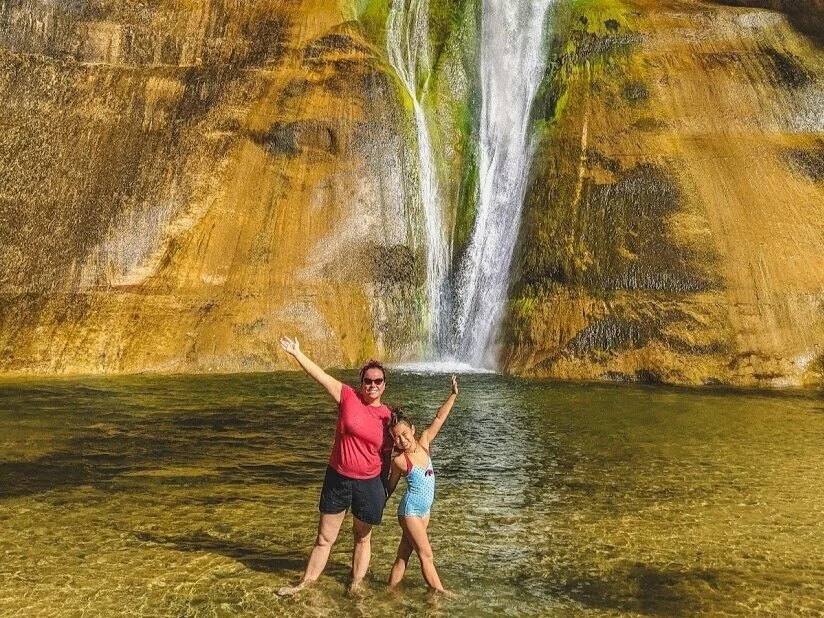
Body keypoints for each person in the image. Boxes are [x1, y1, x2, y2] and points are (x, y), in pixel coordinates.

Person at [277, 336, 393, 596]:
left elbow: (396, 452)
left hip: (370, 483)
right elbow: (320, 376)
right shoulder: (348, 396)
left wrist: (388, 486)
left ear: (384, 385)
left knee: (362, 537)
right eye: (368, 380)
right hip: (338, 478)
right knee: (324, 538)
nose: (372, 385)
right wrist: (297, 353)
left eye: (378, 381)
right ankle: (305, 585)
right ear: (361, 382)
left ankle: (356, 584)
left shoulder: (389, 416)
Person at [385, 374, 458, 593]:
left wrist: (453, 395)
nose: (401, 440)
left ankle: (390, 592)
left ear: (413, 430)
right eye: (396, 437)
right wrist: (373, 506)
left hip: (425, 511)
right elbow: (389, 487)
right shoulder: (399, 460)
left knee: (403, 554)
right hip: (410, 512)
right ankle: (441, 593)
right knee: (426, 555)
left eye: (404, 434)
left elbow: (439, 418)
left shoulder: (425, 442)